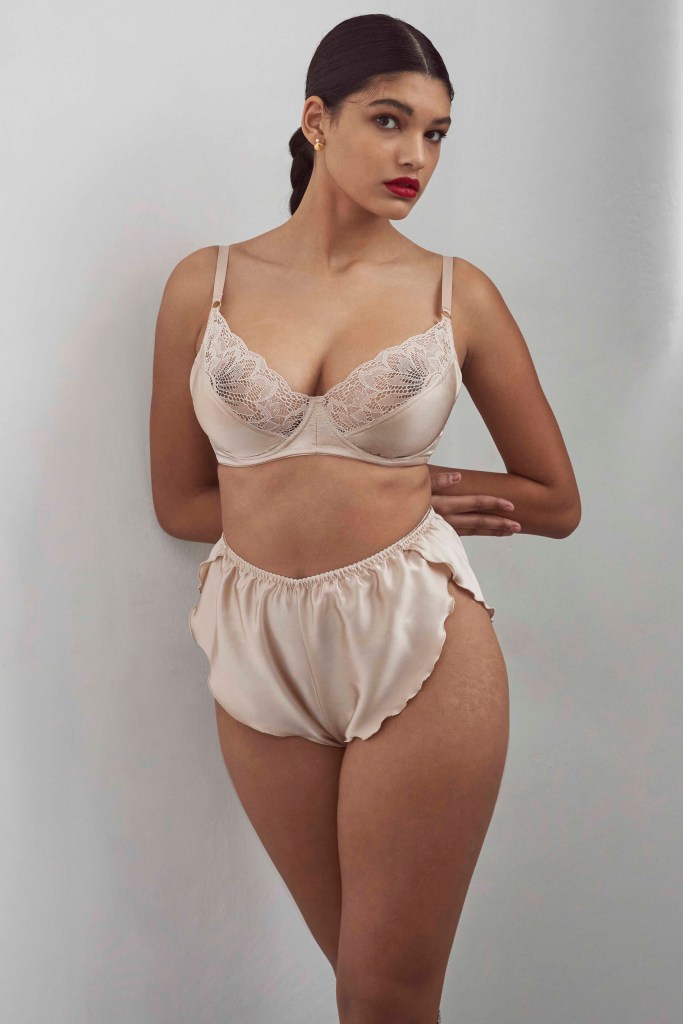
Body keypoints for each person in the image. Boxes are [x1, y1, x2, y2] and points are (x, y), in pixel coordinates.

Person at [149, 13, 581, 1024]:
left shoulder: (454, 293)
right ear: (317, 120)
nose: (414, 156)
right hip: (257, 641)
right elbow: (180, 501)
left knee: (387, 992)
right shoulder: (204, 285)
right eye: (389, 121)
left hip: (417, 637)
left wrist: (415, 487)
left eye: (435, 133)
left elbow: (555, 499)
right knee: (359, 987)